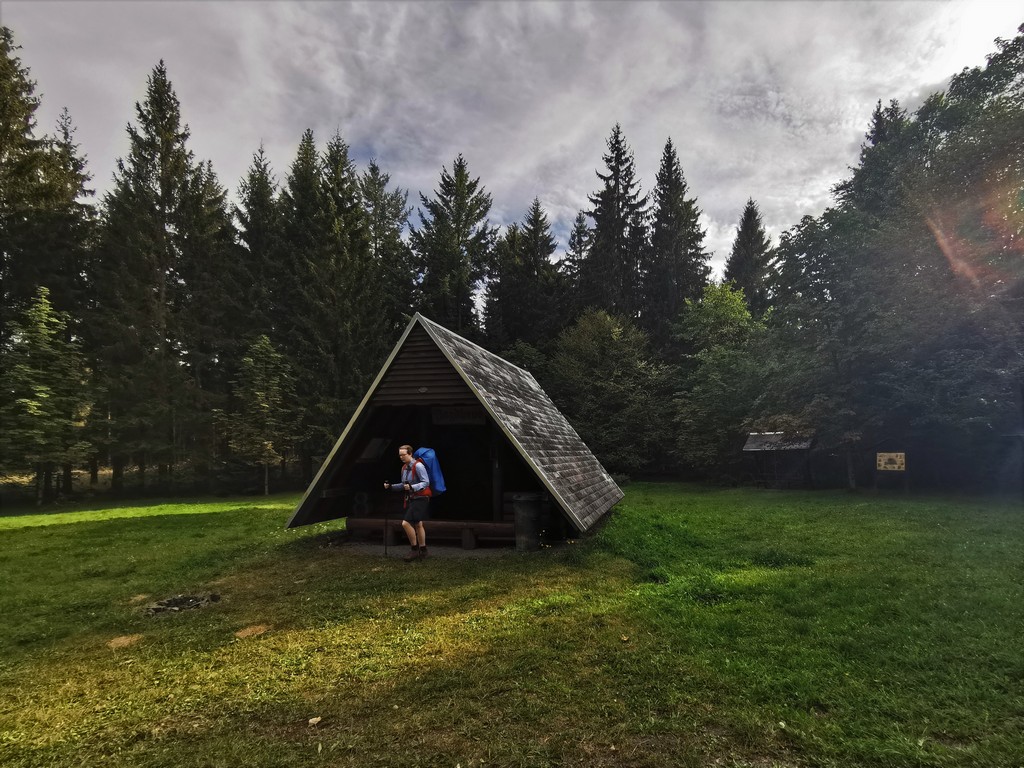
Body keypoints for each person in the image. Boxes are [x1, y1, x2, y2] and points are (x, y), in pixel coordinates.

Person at [384, 444, 430, 560]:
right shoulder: (404, 468)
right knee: (418, 524)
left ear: (410, 454)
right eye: (400, 455)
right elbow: (403, 485)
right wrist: (391, 487)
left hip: (421, 498)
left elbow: (426, 482)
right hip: (412, 498)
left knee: (406, 523)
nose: (401, 457)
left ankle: (414, 550)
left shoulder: (418, 466)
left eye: (403, 455)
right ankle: (423, 551)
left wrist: (412, 487)